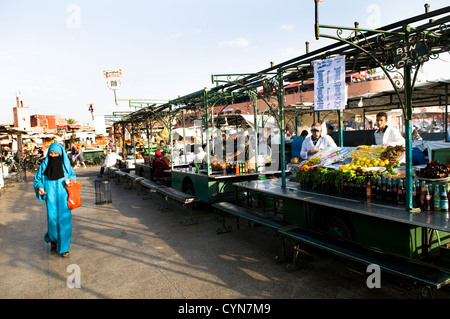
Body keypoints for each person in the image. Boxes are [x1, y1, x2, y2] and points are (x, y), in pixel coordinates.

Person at [33, 142, 77, 258]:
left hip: (64, 198)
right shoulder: (44, 166)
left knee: (65, 222)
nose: (53, 156)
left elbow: (73, 176)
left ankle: (64, 248)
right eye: (51, 153)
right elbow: (38, 180)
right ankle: (53, 242)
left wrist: (71, 181)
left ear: (60, 154)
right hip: (51, 199)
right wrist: (40, 188)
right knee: (52, 221)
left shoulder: (66, 167)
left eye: (55, 153)